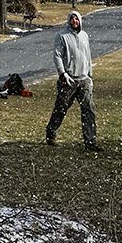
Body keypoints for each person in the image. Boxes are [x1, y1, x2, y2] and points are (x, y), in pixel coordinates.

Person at [45, 9, 101, 152]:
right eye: (72, 19)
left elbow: (88, 56)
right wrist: (62, 73)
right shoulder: (62, 36)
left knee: (89, 110)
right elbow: (57, 56)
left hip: (84, 80)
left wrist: (90, 76)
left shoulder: (84, 36)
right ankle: (51, 132)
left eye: (76, 19)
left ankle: (90, 142)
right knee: (61, 109)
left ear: (80, 21)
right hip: (68, 80)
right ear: (69, 21)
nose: (74, 21)